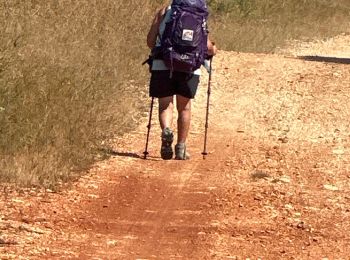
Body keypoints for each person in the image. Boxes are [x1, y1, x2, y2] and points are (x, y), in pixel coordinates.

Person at [146, 0, 217, 160]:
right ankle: (181, 148)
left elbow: (150, 42)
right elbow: (206, 46)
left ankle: (166, 130)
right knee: (184, 108)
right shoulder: (199, 13)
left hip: (163, 63)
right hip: (190, 67)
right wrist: (213, 49)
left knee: (165, 105)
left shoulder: (164, 11)